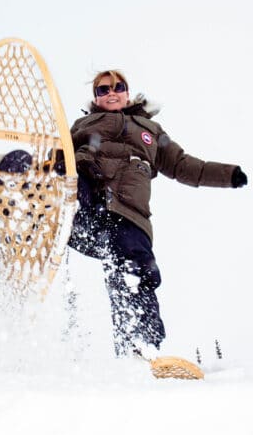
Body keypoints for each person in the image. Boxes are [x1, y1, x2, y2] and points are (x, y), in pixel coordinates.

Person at [62, 69, 248, 358]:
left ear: (127, 92)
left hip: (129, 214)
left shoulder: (150, 132)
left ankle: (140, 348)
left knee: (136, 272)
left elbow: (183, 165)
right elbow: (54, 155)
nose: (111, 93)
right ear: (95, 97)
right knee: (68, 173)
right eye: (103, 89)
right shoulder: (82, 127)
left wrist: (227, 175)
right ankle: (32, 214)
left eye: (118, 87)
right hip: (89, 202)